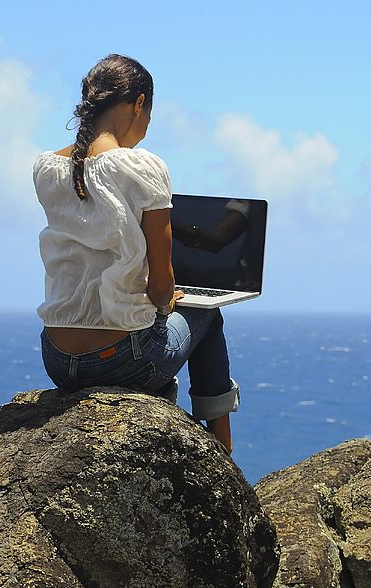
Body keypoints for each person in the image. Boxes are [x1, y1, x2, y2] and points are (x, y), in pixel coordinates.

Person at [33, 54, 240, 454]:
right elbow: (162, 286)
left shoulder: (46, 168)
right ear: (139, 104)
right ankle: (221, 446)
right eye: (148, 116)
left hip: (57, 359)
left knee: (150, 337)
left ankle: (158, 434)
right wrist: (167, 304)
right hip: (118, 360)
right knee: (207, 316)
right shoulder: (142, 167)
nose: (144, 129)